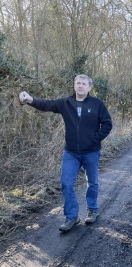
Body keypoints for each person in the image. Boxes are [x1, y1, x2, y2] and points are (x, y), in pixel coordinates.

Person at [19, 74, 112, 232]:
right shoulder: (66, 103)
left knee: (92, 182)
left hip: (91, 152)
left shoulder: (97, 104)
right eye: (78, 83)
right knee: (66, 183)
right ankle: (72, 217)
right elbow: (46, 104)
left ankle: (92, 210)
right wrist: (30, 99)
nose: (80, 86)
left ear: (89, 87)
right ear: (74, 86)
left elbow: (107, 124)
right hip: (71, 152)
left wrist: (94, 139)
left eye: (83, 84)